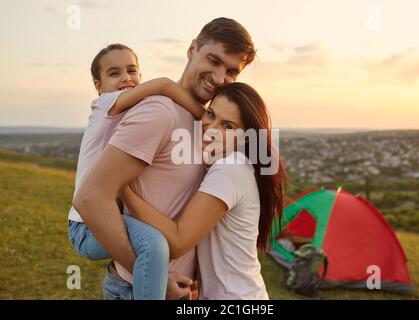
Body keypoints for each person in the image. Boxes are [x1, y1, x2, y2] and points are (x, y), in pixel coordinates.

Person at [72, 17, 256, 300]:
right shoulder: (159, 112)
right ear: (192, 49)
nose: (220, 78)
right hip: (141, 289)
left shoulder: (205, 124)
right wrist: (152, 276)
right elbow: (91, 198)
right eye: (213, 60)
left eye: (231, 71)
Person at [121, 82, 288, 299]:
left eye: (227, 126)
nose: (211, 129)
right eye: (211, 114)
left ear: (246, 137)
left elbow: (179, 240)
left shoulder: (230, 169)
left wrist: (123, 190)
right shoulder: (232, 164)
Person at [68, 43, 204, 299]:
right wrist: (203, 116)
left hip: (98, 219)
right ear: (98, 86)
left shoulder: (137, 112)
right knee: (153, 245)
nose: (126, 78)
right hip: (84, 227)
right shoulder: (104, 105)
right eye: (114, 73)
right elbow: (164, 84)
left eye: (132, 70)